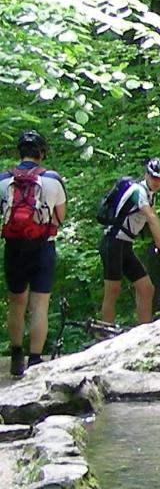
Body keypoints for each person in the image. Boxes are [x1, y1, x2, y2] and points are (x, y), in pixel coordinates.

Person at [1, 131, 66, 377]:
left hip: (14, 247)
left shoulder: (4, 179)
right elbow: (60, 217)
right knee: (40, 304)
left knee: (16, 302)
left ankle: (16, 355)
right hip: (43, 247)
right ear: (42, 152)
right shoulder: (53, 179)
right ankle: (36, 359)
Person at [98, 159, 160, 329]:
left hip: (125, 245)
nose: (157, 182)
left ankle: (144, 332)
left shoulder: (150, 195)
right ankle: (104, 332)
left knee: (146, 288)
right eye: (154, 177)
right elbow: (151, 218)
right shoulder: (138, 191)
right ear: (146, 175)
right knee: (113, 290)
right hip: (112, 242)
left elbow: (153, 220)